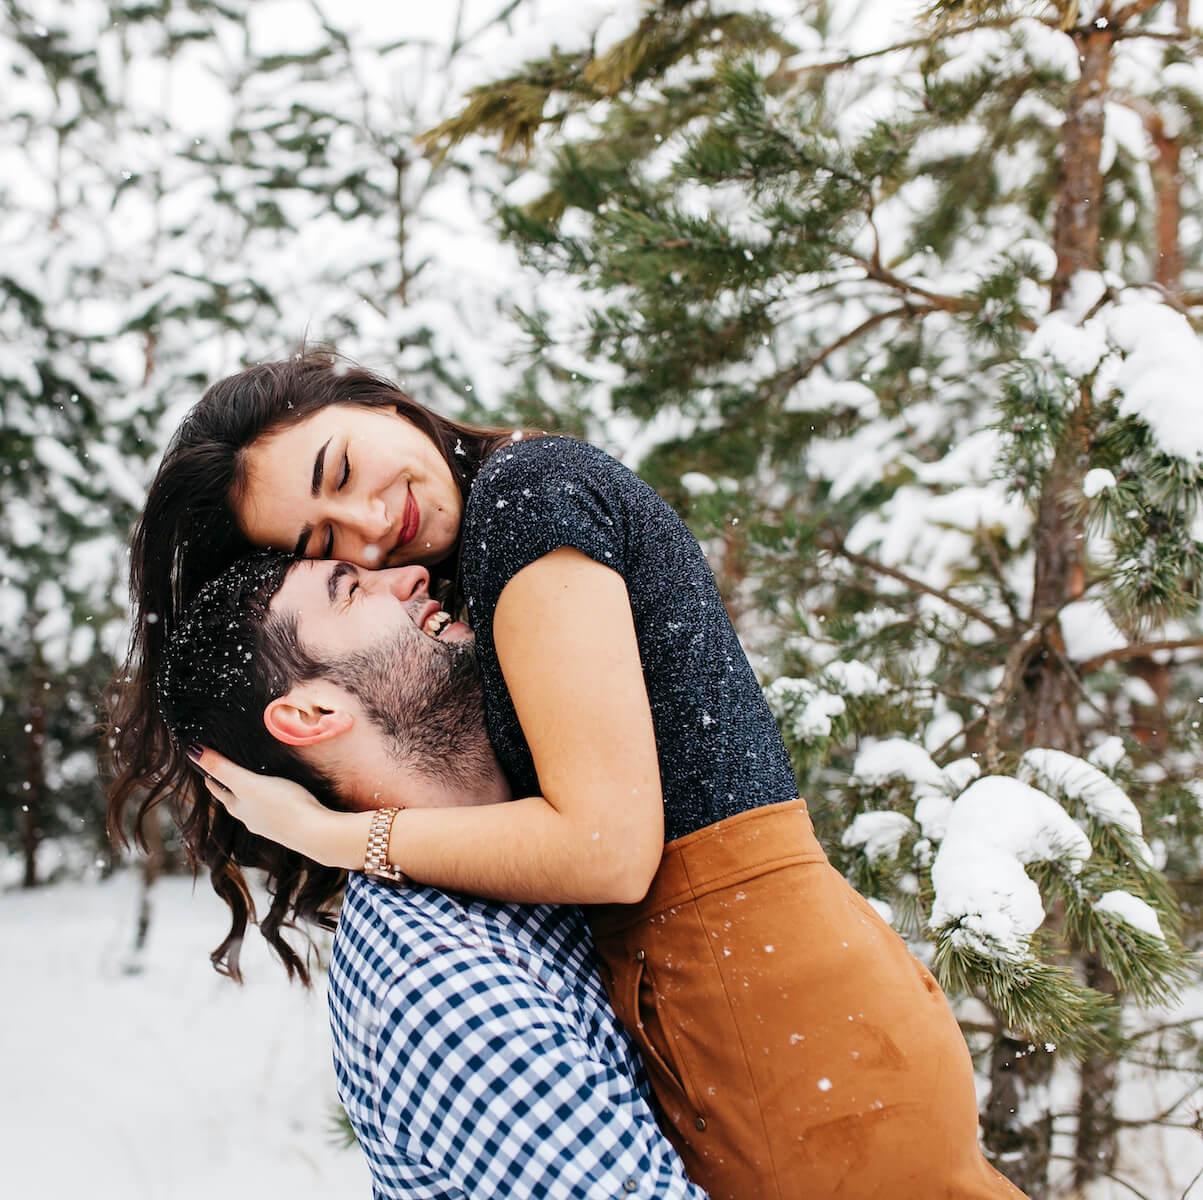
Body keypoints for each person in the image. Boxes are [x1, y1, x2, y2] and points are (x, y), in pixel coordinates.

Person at [107, 350, 1026, 1199]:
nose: (373, 526)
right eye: (328, 548)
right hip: (790, 995)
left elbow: (606, 849)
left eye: (342, 471)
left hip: (758, 1006)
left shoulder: (525, 499)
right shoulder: (499, 529)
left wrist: (333, 834)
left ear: (378, 401)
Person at [154, 549, 708, 1200]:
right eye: (350, 591)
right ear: (311, 714)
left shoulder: (561, 821)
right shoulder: (438, 984)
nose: (412, 576)